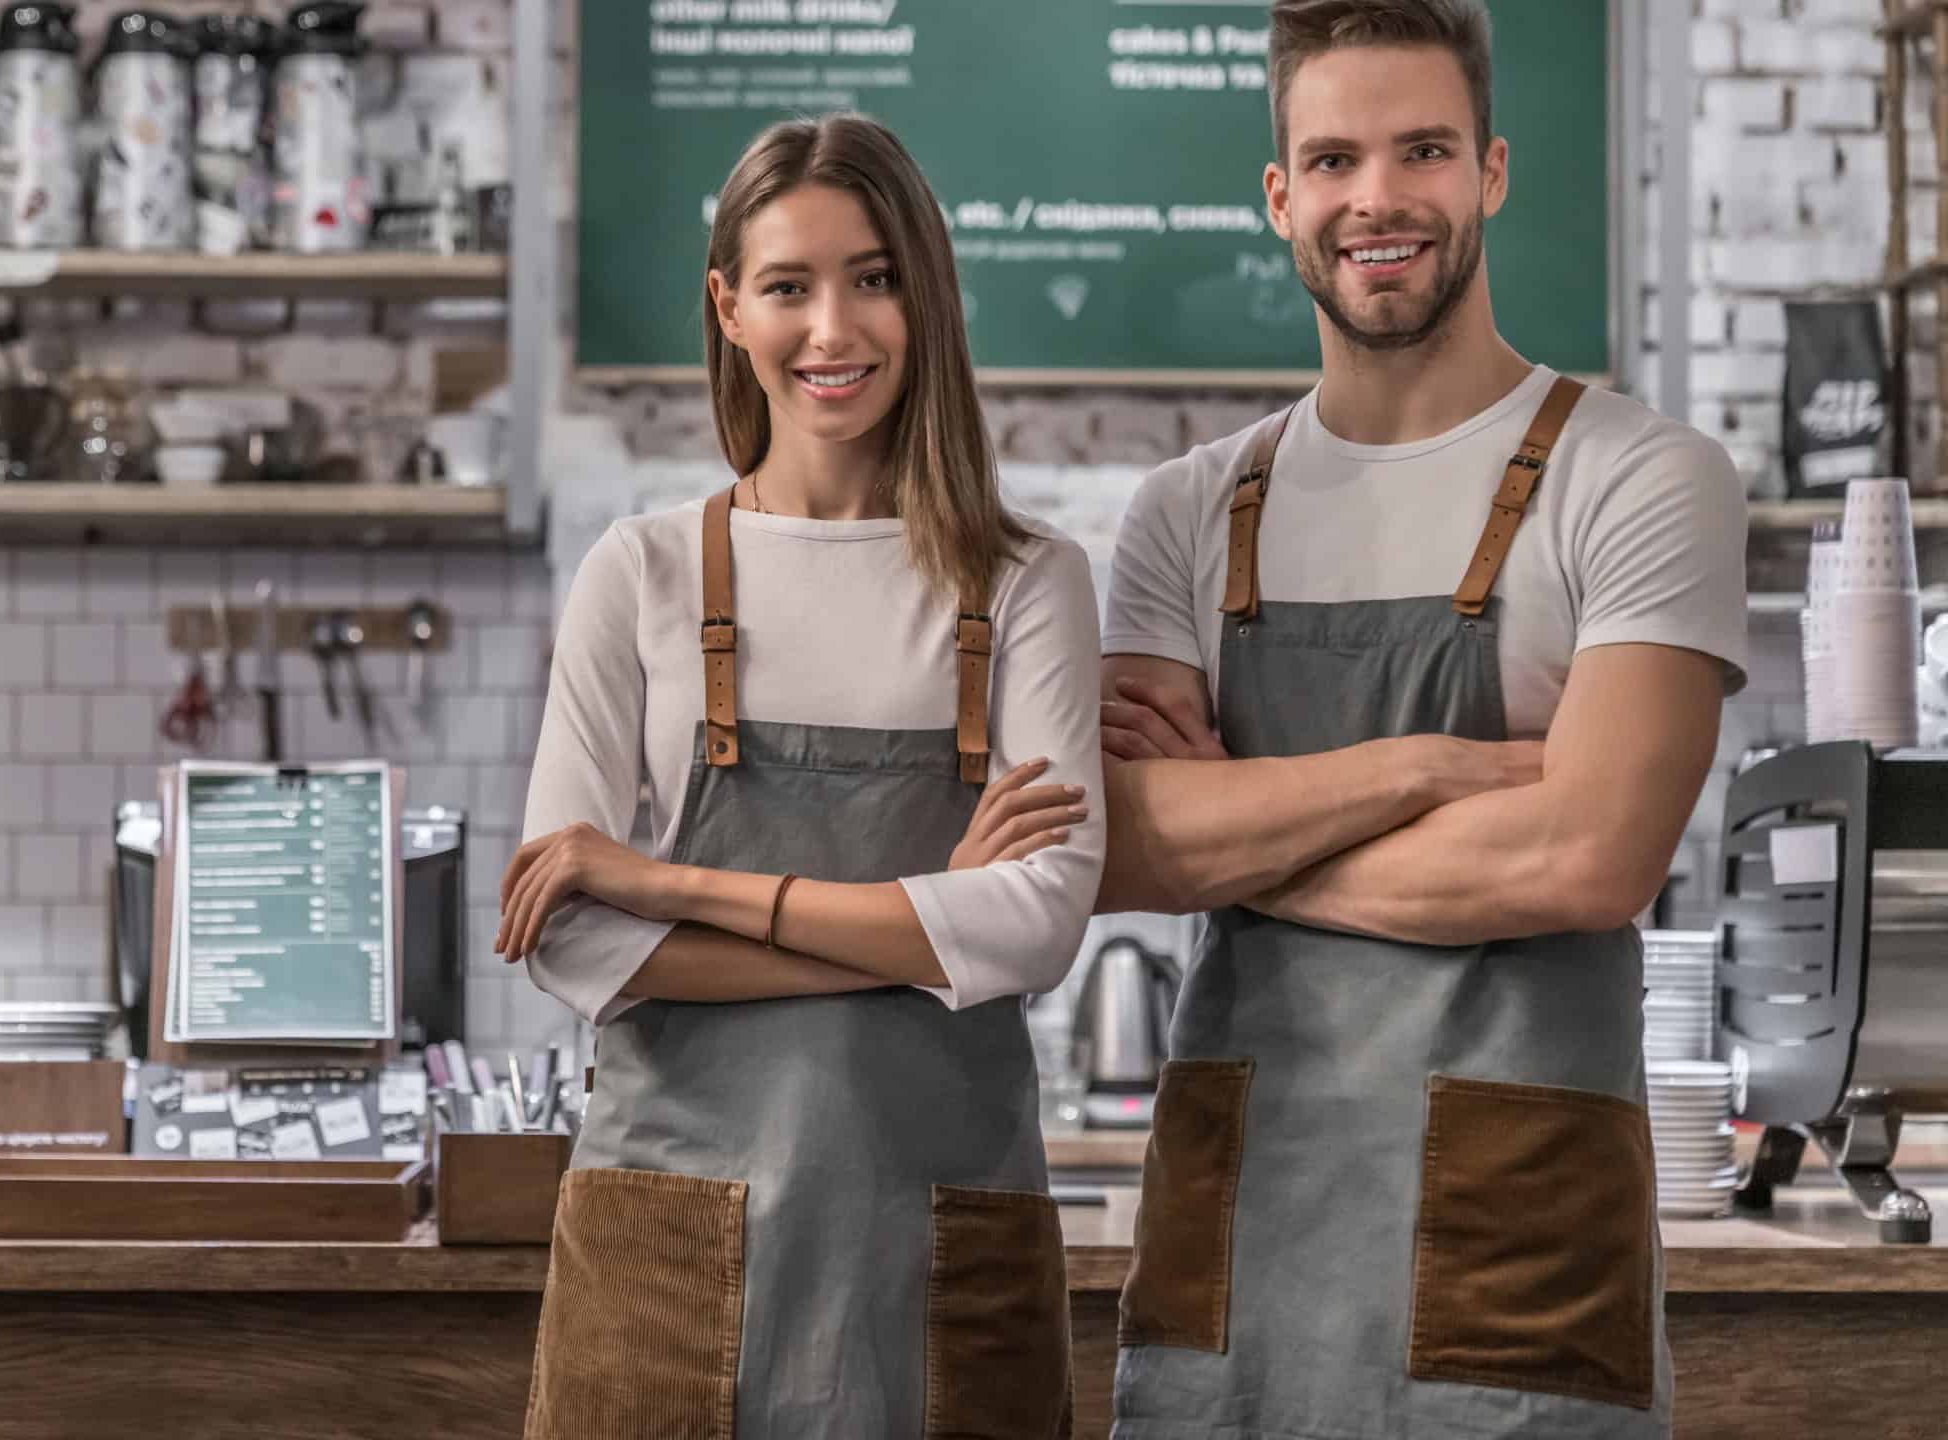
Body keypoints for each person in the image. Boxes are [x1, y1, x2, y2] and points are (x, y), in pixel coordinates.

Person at [1094, 2, 1749, 1437]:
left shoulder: (1638, 479)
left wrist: (1244, 833)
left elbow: (1584, 862)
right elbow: (1124, 854)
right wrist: (1437, 770)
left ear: (1493, 171)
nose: (1376, 199)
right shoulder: (1189, 513)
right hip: (1240, 1250)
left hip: (1513, 1274)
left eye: (1423, 150)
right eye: (1332, 159)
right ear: (1280, 197)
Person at [493, 112, 1107, 1439]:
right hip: (672, 1251)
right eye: (789, 286)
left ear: (927, 297)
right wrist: (923, 925)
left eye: (875, 278)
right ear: (729, 307)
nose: (834, 329)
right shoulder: (640, 574)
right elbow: (578, 939)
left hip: (938, 1252)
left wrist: (676, 885)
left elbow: (1040, 920)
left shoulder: (1027, 583)